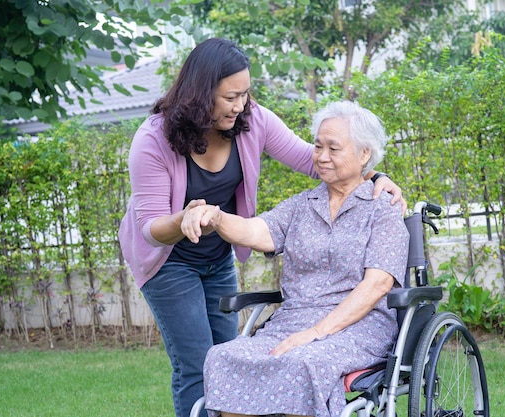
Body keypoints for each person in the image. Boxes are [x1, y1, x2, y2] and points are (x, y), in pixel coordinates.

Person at [118, 38, 405, 417]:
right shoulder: (154, 139)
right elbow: (151, 227)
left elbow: (318, 159)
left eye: (245, 94)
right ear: (202, 96)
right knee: (199, 361)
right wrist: (195, 217)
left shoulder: (251, 120)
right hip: (167, 258)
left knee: (224, 352)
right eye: (230, 97)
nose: (241, 105)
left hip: (217, 256)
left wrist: (375, 177)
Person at [188, 101, 409, 417]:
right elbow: (256, 230)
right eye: (318, 146)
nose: (321, 156)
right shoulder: (301, 206)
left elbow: (376, 285)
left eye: (334, 148)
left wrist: (317, 332)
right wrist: (217, 217)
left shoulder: (382, 210)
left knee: (303, 361)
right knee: (223, 357)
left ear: (364, 154)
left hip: (358, 326)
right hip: (292, 321)